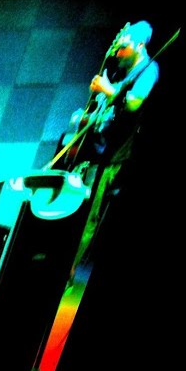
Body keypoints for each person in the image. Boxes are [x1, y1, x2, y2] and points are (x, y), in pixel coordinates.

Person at [67, 20, 161, 268]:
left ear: (139, 46)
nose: (118, 53)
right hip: (92, 150)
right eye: (118, 48)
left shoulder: (148, 69)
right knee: (74, 208)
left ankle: (69, 271)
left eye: (124, 48)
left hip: (111, 156)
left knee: (89, 215)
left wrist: (107, 90)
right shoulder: (120, 69)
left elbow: (133, 103)